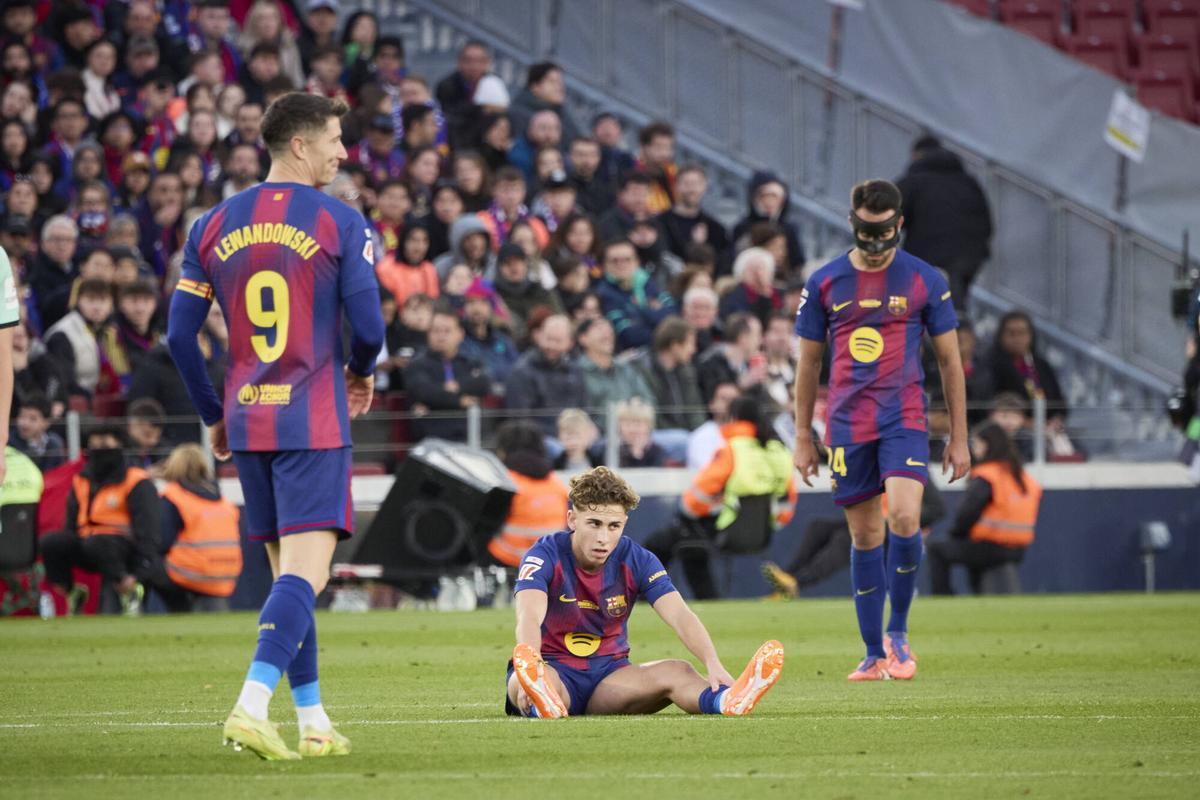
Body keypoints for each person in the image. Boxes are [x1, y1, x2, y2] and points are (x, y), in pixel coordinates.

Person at [167, 93, 385, 760]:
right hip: (313, 417)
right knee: (306, 577)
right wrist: (361, 369)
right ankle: (250, 706)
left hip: (248, 420)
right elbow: (370, 327)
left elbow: (179, 336)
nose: (342, 153)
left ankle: (314, 722)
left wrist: (213, 415)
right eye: (335, 140)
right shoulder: (341, 222)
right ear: (299, 144)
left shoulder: (209, 225)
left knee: (289, 577)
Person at [793, 179, 970, 682]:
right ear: (853, 222)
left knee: (905, 517)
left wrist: (960, 436)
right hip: (848, 424)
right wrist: (804, 436)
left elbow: (950, 361)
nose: (875, 248)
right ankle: (872, 655)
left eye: (885, 235)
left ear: (899, 227)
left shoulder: (924, 280)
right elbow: (808, 365)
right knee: (865, 533)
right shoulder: (825, 282)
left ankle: (898, 631)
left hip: (904, 417)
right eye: (867, 234)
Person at [506, 465, 784, 719]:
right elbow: (529, 616)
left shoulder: (637, 559)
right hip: (554, 667)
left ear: (624, 524)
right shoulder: (544, 554)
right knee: (527, 680)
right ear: (572, 519)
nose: (604, 538)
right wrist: (534, 661)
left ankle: (726, 700)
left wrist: (713, 663)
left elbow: (679, 615)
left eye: (613, 526)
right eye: (594, 524)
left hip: (609, 679)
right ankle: (541, 696)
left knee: (679, 670)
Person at [645, 396, 795, 599]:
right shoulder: (779, 452)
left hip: (724, 530)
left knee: (662, 542)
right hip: (761, 535)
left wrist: (696, 511)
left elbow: (696, 498)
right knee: (690, 545)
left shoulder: (732, 450)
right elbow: (786, 506)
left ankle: (646, 596)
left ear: (733, 418)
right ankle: (708, 601)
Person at [39, 425, 163, 616]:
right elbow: (71, 525)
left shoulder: (136, 480)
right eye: (94, 444)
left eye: (104, 443)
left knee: (99, 542)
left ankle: (128, 589)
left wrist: (140, 572)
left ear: (119, 445)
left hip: (123, 548)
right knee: (51, 542)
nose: (99, 448)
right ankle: (72, 592)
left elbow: (149, 530)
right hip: (89, 545)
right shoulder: (81, 480)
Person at [762, 482, 945, 598]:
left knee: (846, 539)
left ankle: (797, 583)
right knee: (818, 526)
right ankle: (786, 580)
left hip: (897, 532)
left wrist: (902, 520)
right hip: (873, 523)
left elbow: (937, 509)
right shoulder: (874, 465)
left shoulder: (911, 469)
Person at [927, 423, 1042, 595]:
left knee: (937, 549)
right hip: (1018, 549)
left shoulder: (988, 475)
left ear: (988, 444)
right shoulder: (1023, 477)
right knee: (972, 550)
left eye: (977, 444)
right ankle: (980, 594)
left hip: (991, 546)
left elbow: (968, 513)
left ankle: (944, 597)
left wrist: (955, 534)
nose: (974, 449)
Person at [895, 135, 992, 306]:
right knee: (955, 303)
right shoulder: (968, 182)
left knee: (923, 306)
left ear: (916, 155)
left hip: (927, 255)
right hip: (968, 257)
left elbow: (890, 215)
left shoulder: (913, 181)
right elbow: (986, 222)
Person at [158, 443, 243, 611]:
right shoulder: (223, 502)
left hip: (189, 574)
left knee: (147, 564)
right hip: (226, 573)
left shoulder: (174, 497)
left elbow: (162, 541)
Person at [486, 420, 569, 568]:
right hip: (550, 561)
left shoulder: (507, 484)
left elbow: (486, 524)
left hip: (510, 559)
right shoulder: (556, 484)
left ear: (503, 450)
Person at [403, 309, 492, 442]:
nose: (441, 336)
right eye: (436, 331)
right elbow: (424, 392)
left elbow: (483, 383)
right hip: (430, 439)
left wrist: (456, 386)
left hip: (469, 437)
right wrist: (460, 401)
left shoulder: (470, 362)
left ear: (460, 334)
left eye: (447, 331)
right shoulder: (417, 364)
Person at [504, 314, 587, 436]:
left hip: (575, 436)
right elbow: (521, 420)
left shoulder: (575, 371)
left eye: (558, 341)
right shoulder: (522, 371)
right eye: (548, 339)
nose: (551, 345)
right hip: (539, 440)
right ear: (539, 336)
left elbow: (585, 409)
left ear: (570, 343)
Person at [593, 239, 675, 352]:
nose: (621, 265)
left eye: (627, 259)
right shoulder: (604, 294)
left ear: (637, 261)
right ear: (605, 265)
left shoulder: (648, 282)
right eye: (614, 261)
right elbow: (629, 336)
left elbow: (674, 315)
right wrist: (651, 311)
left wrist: (639, 315)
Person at [632, 315, 706, 432]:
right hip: (657, 434)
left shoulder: (686, 371)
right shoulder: (644, 369)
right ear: (675, 345)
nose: (693, 350)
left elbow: (695, 410)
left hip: (683, 436)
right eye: (690, 344)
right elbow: (653, 413)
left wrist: (700, 434)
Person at [576, 317, 653, 421]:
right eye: (598, 328)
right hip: (597, 434)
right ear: (582, 338)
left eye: (609, 328)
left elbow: (647, 399)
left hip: (636, 430)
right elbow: (579, 412)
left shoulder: (626, 368)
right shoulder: (576, 371)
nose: (606, 332)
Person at [731, 172, 805, 277]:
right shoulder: (743, 227)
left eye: (774, 197)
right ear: (755, 198)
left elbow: (797, 262)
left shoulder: (790, 228)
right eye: (765, 196)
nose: (769, 202)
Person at [659, 164, 730, 266]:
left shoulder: (716, 229)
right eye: (686, 184)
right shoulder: (660, 223)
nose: (691, 190)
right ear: (676, 186)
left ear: (704, 187)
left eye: (696, 184)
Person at [12, 393, 66, 472]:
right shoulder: (10, 443)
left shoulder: (55, 443)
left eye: (33, 419)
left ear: (46, 422)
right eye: (22, 416)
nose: (25, 423)